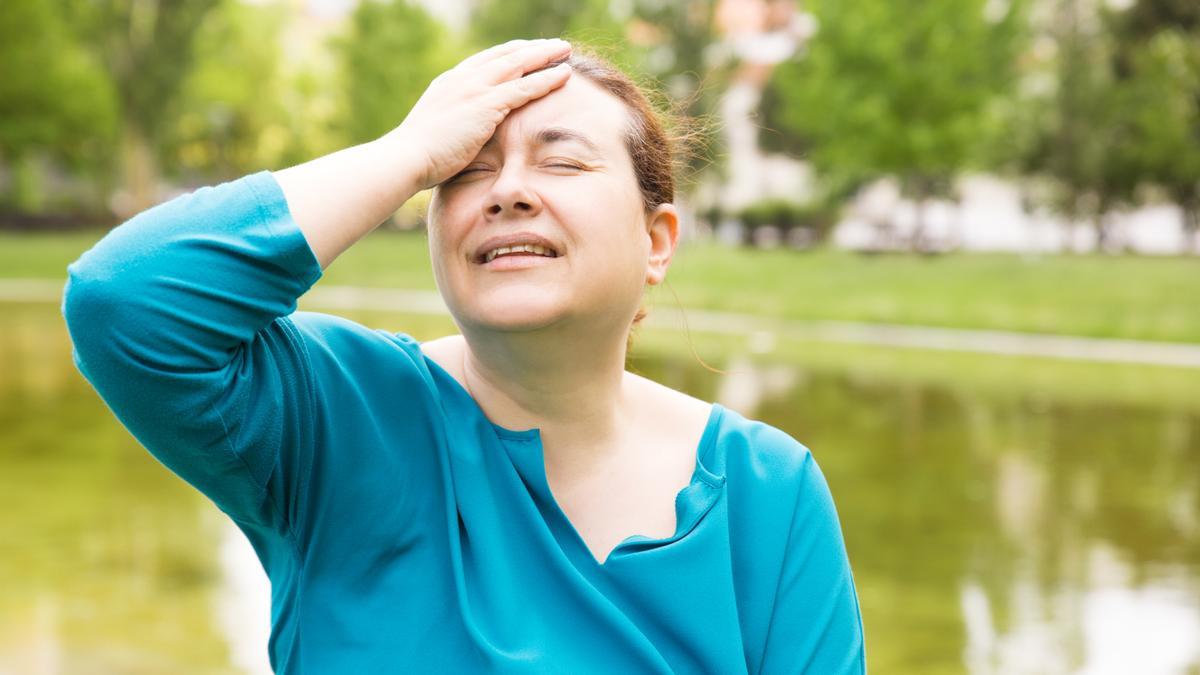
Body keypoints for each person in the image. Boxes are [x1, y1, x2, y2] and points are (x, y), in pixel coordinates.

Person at [62, 38, 865, 673]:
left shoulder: (769, 491)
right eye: (467, 169)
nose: (507, 191)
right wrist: (406, 152)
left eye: (560, 161)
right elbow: (122, 302)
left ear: (656, 241)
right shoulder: (337, 417)